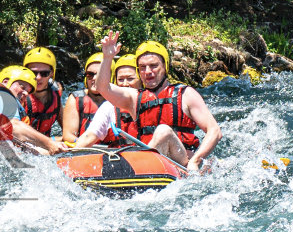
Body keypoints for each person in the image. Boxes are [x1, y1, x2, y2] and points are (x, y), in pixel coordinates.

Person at [74, 35, 221, 170]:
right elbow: (102, 87)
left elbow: (214, 131)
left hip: (181, 164)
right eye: (142, 67)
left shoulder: (186, 94)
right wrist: (107, 57)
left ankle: (140, 168)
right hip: (149, 165)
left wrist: (195, 161)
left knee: (164, 132)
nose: (148, 71)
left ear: (165, 66)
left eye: (153, 66)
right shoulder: (134, 97)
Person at [21, 47, 65, 137]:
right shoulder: (20, 96)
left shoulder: (56, 92)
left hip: (46, 144)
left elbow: (67, 129)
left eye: (44, 73)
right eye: (33, 72)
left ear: (52, 73)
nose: (38, 78)